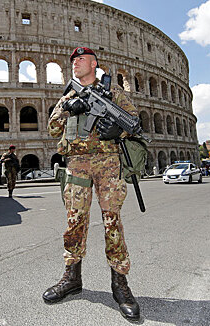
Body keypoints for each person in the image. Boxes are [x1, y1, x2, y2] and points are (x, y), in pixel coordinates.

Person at [43, 47, 140, 320]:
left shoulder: (114, 93)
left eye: (81, 59)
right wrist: (67, 108)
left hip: (109, 162)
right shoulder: (68, 95)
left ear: (94, 64)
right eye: (73, 60)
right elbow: (52, 129)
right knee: (75, 221)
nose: (75, 63)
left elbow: (134, 122)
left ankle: (120, 285)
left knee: (112, 221)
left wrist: (117, 130)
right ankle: (71, 278)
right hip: (76, 163)